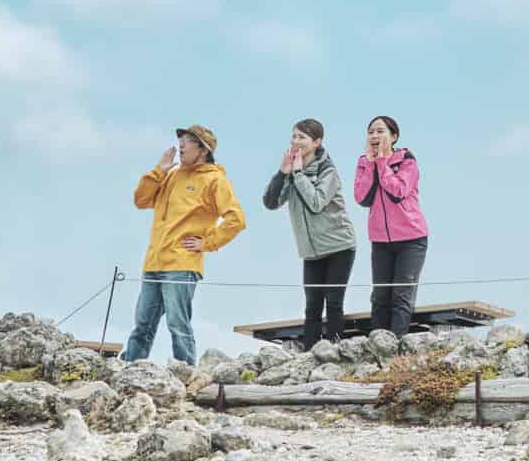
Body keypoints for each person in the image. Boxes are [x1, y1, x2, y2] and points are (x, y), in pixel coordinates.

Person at [124, 124, 246, 366]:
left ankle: (188, 373)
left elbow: (236, 219)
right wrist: (159, 170)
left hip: (182, 263)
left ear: (203, 149)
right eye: (180, 139)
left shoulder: (215, 180)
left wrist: (208, 242)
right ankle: (130, 371)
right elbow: (141, 200)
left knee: (177, 325)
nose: (181, 144)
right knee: (142, 325)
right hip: (154, 261)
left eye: (188, 140)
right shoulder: (171, 174)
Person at [262, 118, 357, 349]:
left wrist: (298, 174)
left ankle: (335, 351)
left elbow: (316, 202)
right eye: (294, 136)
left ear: (316, 142)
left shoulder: (328, 171)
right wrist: (282, 173)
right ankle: (310, 355)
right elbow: (271, 202)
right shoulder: (294, 172)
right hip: (311, 251)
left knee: (333, 303)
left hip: (339, 246)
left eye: (302, 137)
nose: (296, 141)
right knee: (312, 305)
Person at [354, 115, 429, 336]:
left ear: (394, 136)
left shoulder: (407, 160)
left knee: (401, 295)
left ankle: (397, 347)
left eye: (380, 131)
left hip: (411, 239)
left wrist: (382, 163)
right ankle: (378, 344)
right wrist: (370, 164)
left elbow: (398, 192)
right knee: (380, 297)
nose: (374, 136)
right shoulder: (363, 162)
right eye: (371, 132)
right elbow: (362, 197)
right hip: (380, 241)